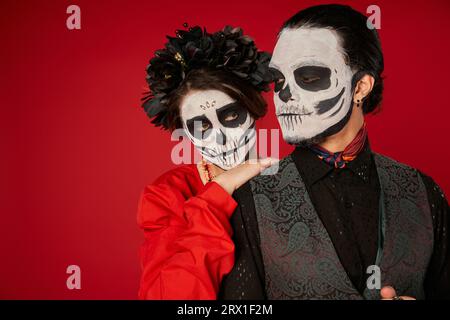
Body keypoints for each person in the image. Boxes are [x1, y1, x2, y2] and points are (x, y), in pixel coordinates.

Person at [219, 4, 449, 300]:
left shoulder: (424, 194)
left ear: (361, 87)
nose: (283, 95)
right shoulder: (250, 200)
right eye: (278, 80)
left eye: (309, 77)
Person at [137, 25, 275, 299]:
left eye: (231, 116)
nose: (221, 139)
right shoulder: (168, 195)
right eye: (201, 126)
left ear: (252, 108)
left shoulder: (295, 181)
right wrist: (217, 196)